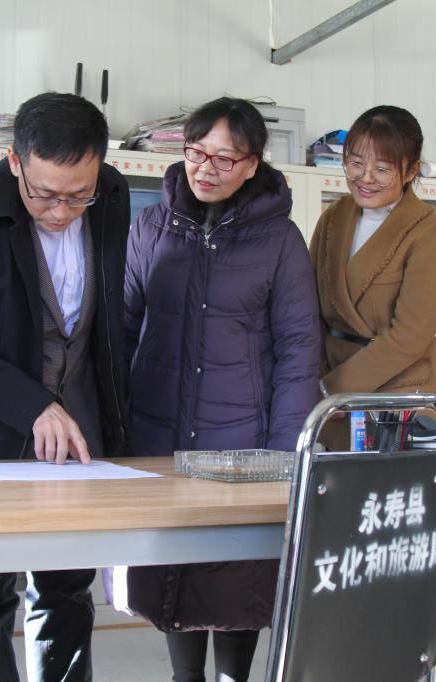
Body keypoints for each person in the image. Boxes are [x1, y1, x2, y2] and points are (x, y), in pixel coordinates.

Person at [0, 92, 130, 682]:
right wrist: (35, 405)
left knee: (66, 585)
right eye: (45, 194)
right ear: (14, 161)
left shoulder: (111, 195)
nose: (62, 211)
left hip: (81, 425)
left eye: (78, 195)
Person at [118, 97, 321, 682]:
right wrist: (118, 429)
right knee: (171, 571)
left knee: (237, 577)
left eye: (224, 158)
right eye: (196, 152)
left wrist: (285, 453)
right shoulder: (151, 226)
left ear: (252, 165)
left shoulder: (280, 240)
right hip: (160, 433)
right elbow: (125, 328)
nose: (205, 168)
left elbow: (298, 350)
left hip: (243, 442)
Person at [310, 105, 436, 450]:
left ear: (411, 170)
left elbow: (409, 336)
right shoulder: (332, 218)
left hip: (396, 393)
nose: (365, 178)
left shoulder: (429, 231)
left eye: (382, 169)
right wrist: (312, 381)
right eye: (355, 163)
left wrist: (334, 389)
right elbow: (308, 309)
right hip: (331, 388)